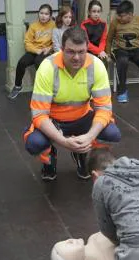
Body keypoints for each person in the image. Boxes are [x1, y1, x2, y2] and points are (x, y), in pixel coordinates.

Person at [23, 27, 121, 181]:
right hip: (54, 121)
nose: (76, 57)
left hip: (82, 117)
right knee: (35, 143)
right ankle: (50, 159)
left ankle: (85, 157)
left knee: (112, 133)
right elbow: (39, 114)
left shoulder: (96, 66)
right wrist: (63, 142)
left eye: (81, 52)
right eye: (70, 51)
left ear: (87, 49)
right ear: (62, 49)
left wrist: (89, 136)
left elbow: (104, 108)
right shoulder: (48, 67)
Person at [106, 0, 139, 103]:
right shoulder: (115, 22)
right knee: (122, 62)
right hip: (120, 50)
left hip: (137, 50)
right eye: (118, 15)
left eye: (122, 16)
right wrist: (108, 53)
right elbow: (109, 39)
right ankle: (122, 92)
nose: (119, 18)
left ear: (130, 14)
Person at [8, 4, 56, 100]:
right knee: (22, 62)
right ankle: (17, 86)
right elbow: (27, 42)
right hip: (35, 50)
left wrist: (49, 48)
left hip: (46, 51)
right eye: (41, 13)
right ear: (38, 14)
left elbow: (56, 41)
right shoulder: (33, 26)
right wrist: (36, 50)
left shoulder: (54, 25)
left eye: (46, 14)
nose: (43, 16)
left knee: (39, 63)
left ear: (50, 16)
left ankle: (43, 89)